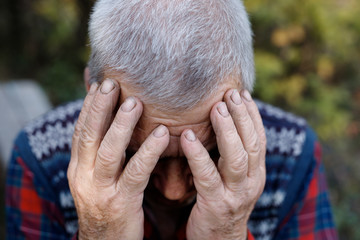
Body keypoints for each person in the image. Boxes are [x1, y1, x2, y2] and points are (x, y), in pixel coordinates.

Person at [6, 0, 338, 239]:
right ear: (94, 97)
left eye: (208, 152)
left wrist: (227, 234)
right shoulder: (41, 158)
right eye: (140, 153)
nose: (175, 191)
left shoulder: (292, 154)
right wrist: (100, 232)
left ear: (244, 100)